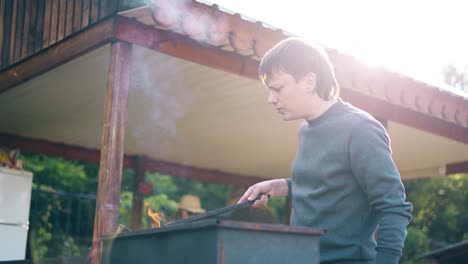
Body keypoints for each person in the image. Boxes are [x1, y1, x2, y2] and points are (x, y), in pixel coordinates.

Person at [238, 37, 412, 264]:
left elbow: (394, 207)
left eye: (277, 89)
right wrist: (279, 186)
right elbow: (331, 183)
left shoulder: (360, 129)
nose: (271, 99)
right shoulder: (305, 130)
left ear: (309, 81)